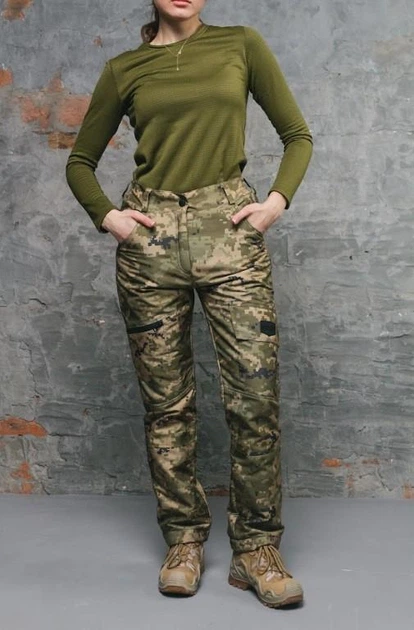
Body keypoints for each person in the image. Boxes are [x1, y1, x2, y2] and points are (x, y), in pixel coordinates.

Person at [66, 0, 313, 609]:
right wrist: (111, 219)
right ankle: (183, 540)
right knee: (166, 405)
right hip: (150, 241)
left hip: (228, 229)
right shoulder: (125, 69)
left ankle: (257, 547)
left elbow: (297, 136)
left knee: (254, 397)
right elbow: (80, 164)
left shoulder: (240, 44)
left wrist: (275, 202)